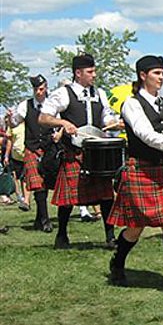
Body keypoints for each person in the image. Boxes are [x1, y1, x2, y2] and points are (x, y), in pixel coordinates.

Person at [107, 55, 163, 298]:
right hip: (142, 170)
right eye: (156, 73)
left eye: (162, 73)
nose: (161, 77)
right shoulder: (132, 104)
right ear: (142, 75)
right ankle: (118, 261)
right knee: (135, 228)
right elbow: (145, 134)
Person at [38, 53, 119, 249]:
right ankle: (62, 235)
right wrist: (63, 122)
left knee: (106, 195)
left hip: (98, 153)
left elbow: (105, 117)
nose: (94, 75)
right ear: (78, 73)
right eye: (90, 71)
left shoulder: (99, 93)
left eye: (94, 71)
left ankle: (110, 237)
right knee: (69, 199)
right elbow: (43, 118)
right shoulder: (64, 93)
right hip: (74, 151)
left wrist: (114, 123)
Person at [6, 75, 58, 232]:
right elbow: (14, 122)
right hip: (32, 148)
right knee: (37, 185)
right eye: (36, 89)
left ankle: (38, 219)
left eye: (41, 89)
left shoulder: (53, 104)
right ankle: (45, 220)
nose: (39, 92)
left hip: (50, 149)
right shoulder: (25, 105)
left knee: (48, 183)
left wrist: (60, 133)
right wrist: (9, 119)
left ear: (46, 87)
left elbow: (62, 121)